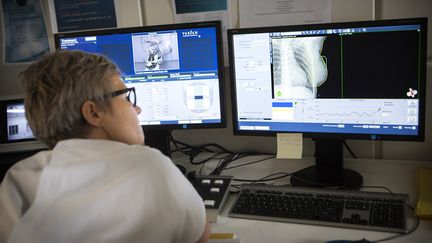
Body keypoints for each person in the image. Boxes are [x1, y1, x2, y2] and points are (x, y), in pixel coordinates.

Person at [0, 50, 210, 243]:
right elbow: (201, 236)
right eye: (127, 98)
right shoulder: (151, 165)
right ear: (93, 113)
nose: (137, 108)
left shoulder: (19, 178)